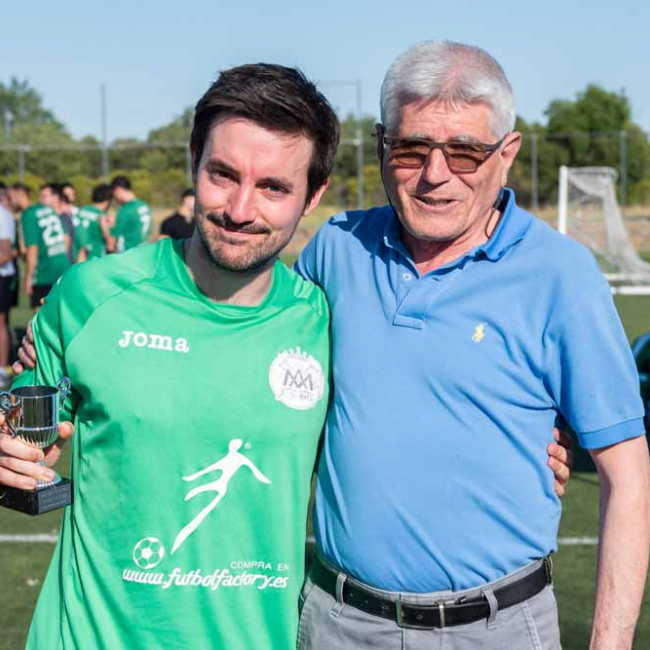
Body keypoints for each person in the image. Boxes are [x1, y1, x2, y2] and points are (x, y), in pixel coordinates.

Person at [291, 41, 650, 649]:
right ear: (381, 146)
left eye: (464, 152)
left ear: (506, 155)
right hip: (337, 623)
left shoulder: (561, 275)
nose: (436, 174)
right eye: (412, 149)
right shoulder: (335, 249)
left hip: (495, 630)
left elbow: (628, 472)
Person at [0, 63, 338, 650]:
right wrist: (10, 449)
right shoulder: (90, 297)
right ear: (193, 160)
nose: (240, 208)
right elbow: (21, 429)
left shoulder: (327, 323)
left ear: (313, 195)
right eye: (222, 174)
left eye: (273, 188)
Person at [9, 182, 70, 311]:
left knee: (41, 317)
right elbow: (66, 237)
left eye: (10, 198)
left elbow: (33, 248)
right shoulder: (47, 209)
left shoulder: (28, 215)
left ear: (19, 196)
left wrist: (28, 278)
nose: (9, 202)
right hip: (63, 267)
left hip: (44, 272)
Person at [0, 182, 16, 383]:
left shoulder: (3, 216)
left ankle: (2, 368)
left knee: (0, 322)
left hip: (2, 276)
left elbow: (6, 253)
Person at [110, 175, 152, 252]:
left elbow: (111, 243)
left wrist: (106, 226)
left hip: (128, 253)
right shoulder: (144, 205)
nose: (114, 198)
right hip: (144, 250)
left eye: (114, 194)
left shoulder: (125, 210)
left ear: (118, 190)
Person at [74, 183, 113, 261]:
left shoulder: (80, 210)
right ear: (108, 201)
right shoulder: (101, 216)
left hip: (78, 259)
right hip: (95, 259)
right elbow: (110, 245)